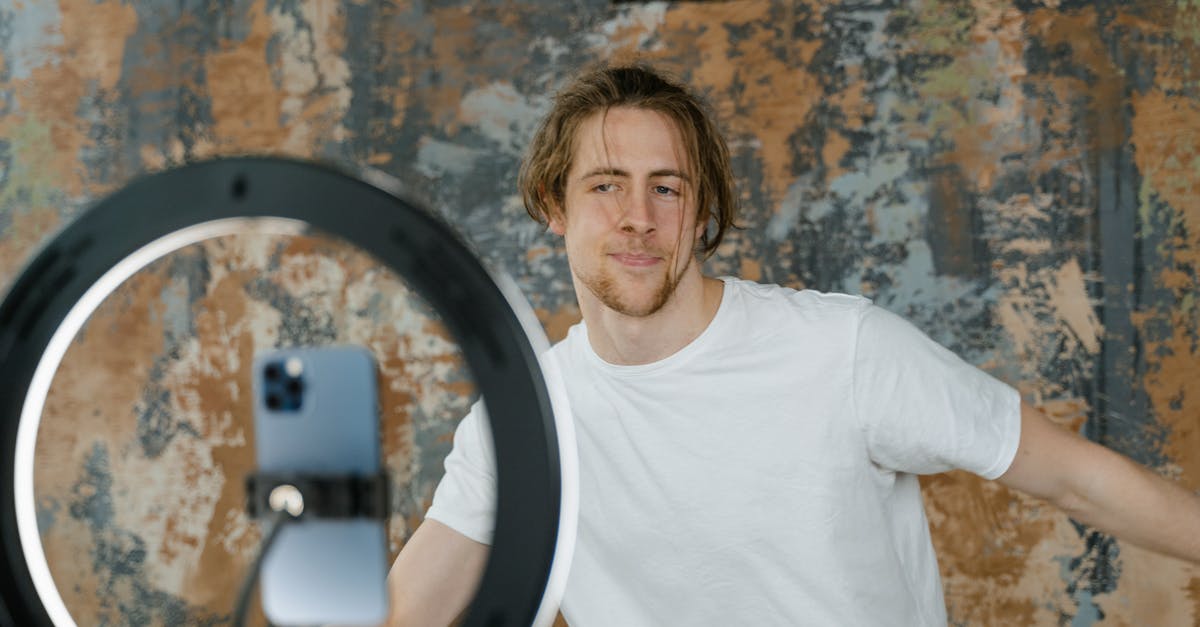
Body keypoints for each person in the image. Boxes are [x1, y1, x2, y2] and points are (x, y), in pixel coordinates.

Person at [385, 63, 1200, 625]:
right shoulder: (524, 421)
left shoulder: (842, 350)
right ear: (552, 205)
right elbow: (411, 609)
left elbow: (1077, 479)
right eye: (606, 185)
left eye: (667, 187)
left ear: (702, 213)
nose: (639, 215)